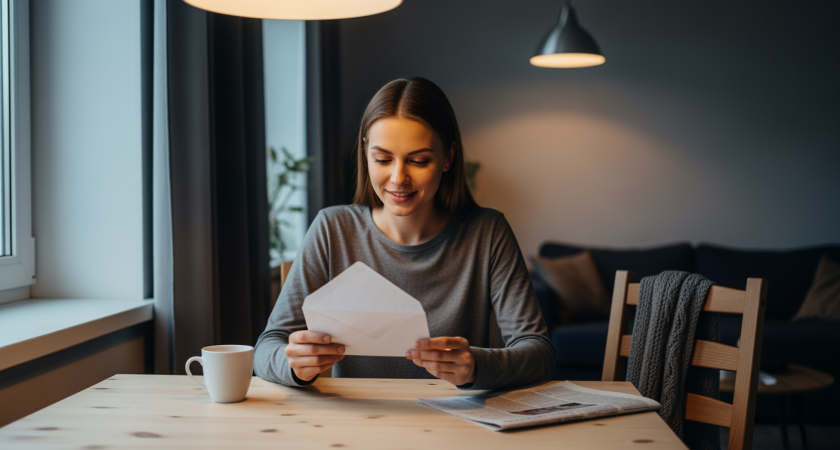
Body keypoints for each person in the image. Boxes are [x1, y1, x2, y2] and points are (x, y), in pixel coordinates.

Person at [254, 77, 554, 390]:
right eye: (383, 159)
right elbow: (267, 347)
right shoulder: (333, 229)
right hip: (355, 430)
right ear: (366, 153)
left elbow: (539, 352)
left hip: (455, 426)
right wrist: (294, 365)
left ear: (448, 157)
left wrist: (475, 366)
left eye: (419, 160)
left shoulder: (487, 233)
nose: (399, 178)